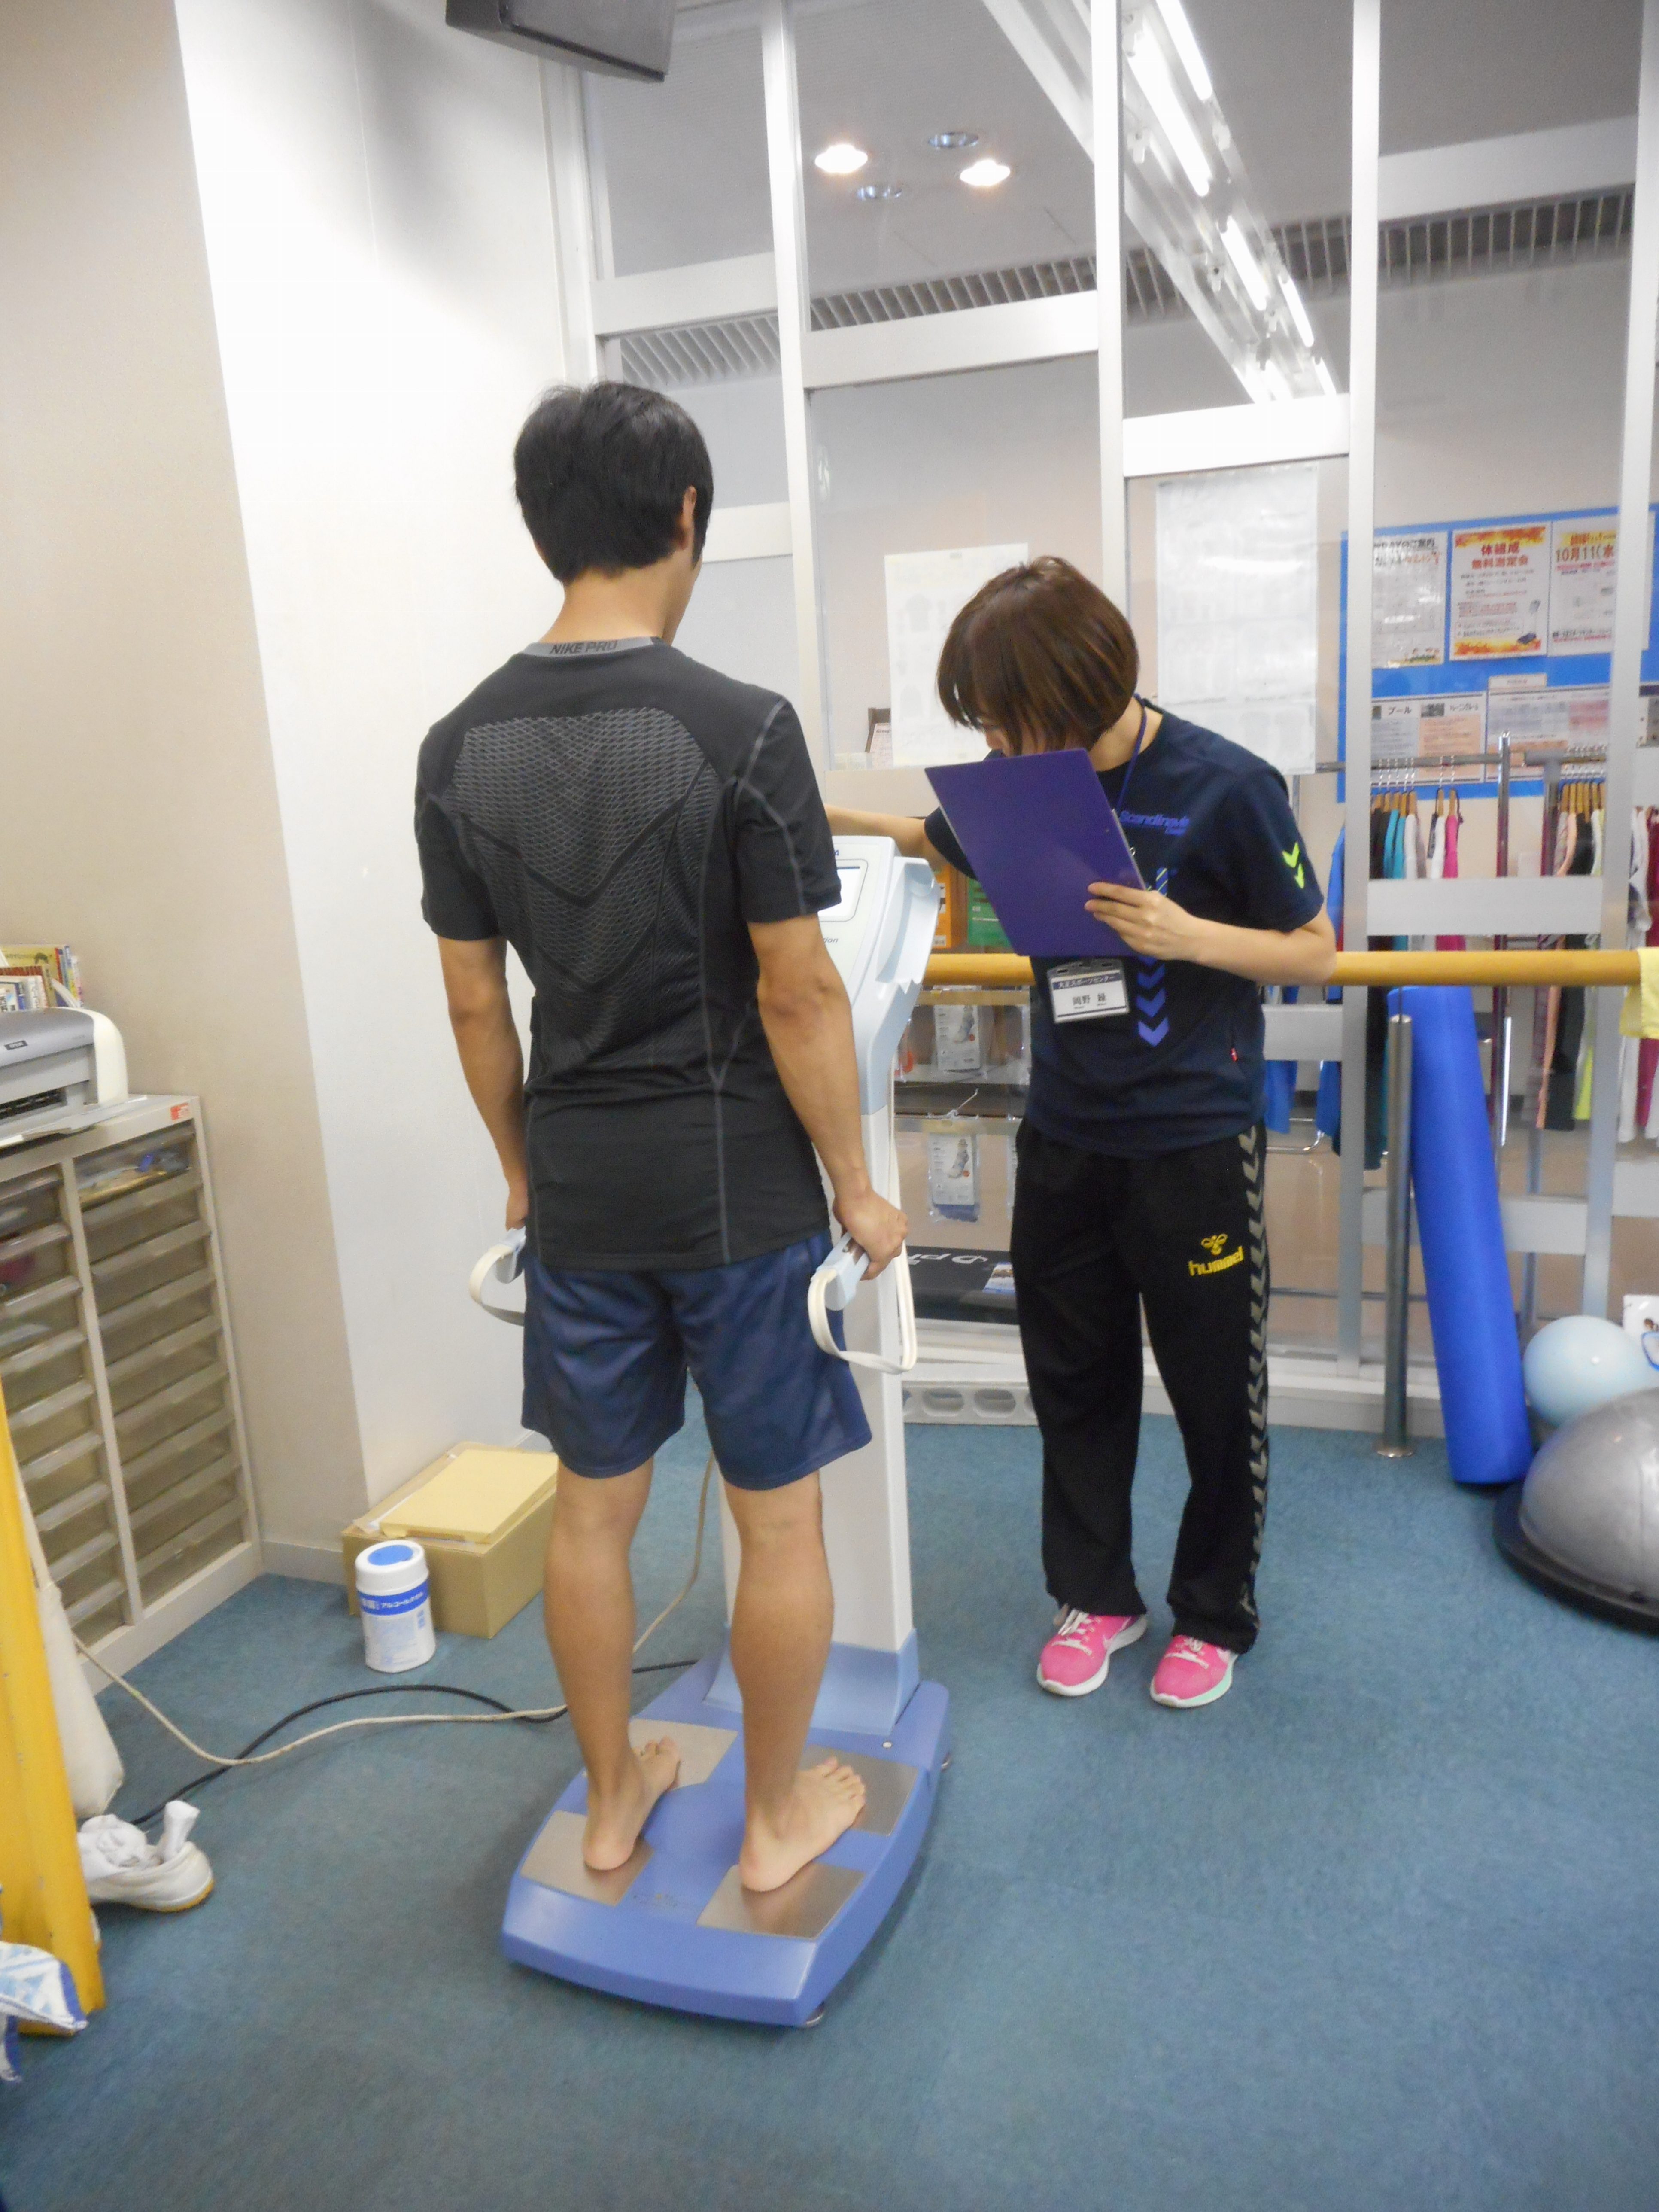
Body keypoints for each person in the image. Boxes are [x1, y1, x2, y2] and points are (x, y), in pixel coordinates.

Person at [415, 382, 907, 1889]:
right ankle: (773, 1821)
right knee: (779, 1521)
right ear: (687, 516)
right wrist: (857, 1189)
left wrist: (520, 1171)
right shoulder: (742, 729)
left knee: (590, 1512)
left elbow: (476, 1001)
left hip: (580, 1191)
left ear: (540, 528)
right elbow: (799, 987)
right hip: (741, 1194)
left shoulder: (455, 748)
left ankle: (614, 1800)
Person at [830, 557, 1335, 1710]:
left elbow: (1315, 947)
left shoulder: (1229, 784)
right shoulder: (1022, 787)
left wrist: (1188, 936)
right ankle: (1096, 1596)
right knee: (1074, 1382)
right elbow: (928, 836)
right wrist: (805, 811)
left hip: (1193, 1141)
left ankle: (1215, 1611)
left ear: (1076, 689)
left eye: (1006, 717)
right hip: (1063, 1134)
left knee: (1215, 1394)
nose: (995, 742)